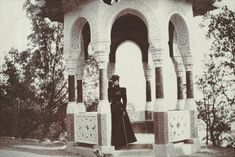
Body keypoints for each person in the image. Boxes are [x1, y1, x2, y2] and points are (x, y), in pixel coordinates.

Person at [108, 75, 137, 149]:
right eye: (113, 81)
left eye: (116, 80)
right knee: (115, 125)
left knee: (122, 125)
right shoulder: (110, 89)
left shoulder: (123, 89)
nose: (115, 82)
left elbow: (125, 100)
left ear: (118, 81)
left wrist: (124, 109)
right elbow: (109, 99)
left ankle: (124, 142)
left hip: (120, 108)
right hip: (113, 108)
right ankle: (116, 143)